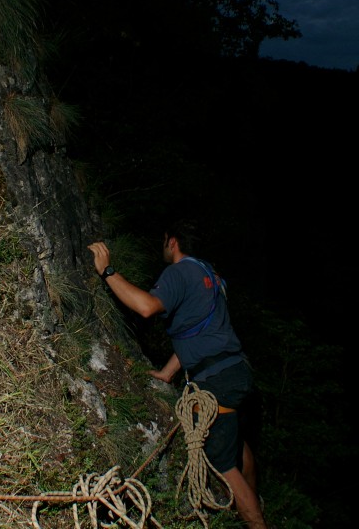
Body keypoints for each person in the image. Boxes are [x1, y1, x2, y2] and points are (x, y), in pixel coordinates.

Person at [88, 219, 267, 529]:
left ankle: (255, 520)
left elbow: (146, 306)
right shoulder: (209, 273)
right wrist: (169, 372)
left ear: (172, 242)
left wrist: (107, 271)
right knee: (237, 445)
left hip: (216, 381)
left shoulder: (179, 272)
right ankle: (255, 499)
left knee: (223, 462)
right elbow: (196, 332)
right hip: (236, 370)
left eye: (163, 242)